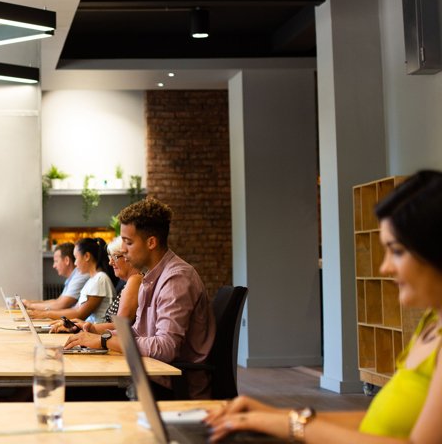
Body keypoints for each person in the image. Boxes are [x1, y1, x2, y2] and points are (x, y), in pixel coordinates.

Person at [207, 170, 442, 443]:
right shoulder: (431, 323)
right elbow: (377, 421)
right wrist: (278, 417)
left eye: (397, 251)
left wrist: (292, 426)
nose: (385, 267)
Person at [63, 197, 215, 399]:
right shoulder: (149, 277)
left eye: (128, 242)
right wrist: (96, 334)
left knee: (69, 389)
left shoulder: (176, 279)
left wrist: (102, 341)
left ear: (151, 242)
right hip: (150, 374)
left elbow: (166, 347)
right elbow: (136, 331)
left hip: (170, 385)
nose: (123, 250)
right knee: (70, 379)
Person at [52, 235, 142, 331]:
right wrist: (78, 325)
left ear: (128, 257)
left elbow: (120, 328)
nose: (110, 262)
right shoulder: (128, 282)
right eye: (110, 257)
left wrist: (84, 327)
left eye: (115, 257)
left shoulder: (133, 280)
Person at [28, 237, 117, 323]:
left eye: (76, 258)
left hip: (95, 333)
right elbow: (75, 310)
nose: (75, 263)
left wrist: (46, 314)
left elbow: (80, 314)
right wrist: (44, 313)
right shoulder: (93, 279)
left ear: (86, 256)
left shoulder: (100, 279)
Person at [23, 242, 90, 311]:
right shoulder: (73, 277)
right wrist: (29, 303)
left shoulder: (80, 276)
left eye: (56, 261)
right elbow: (58, 301)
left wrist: (30, 305)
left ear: (67, 260)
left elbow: (61, 305)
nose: (54, 266)